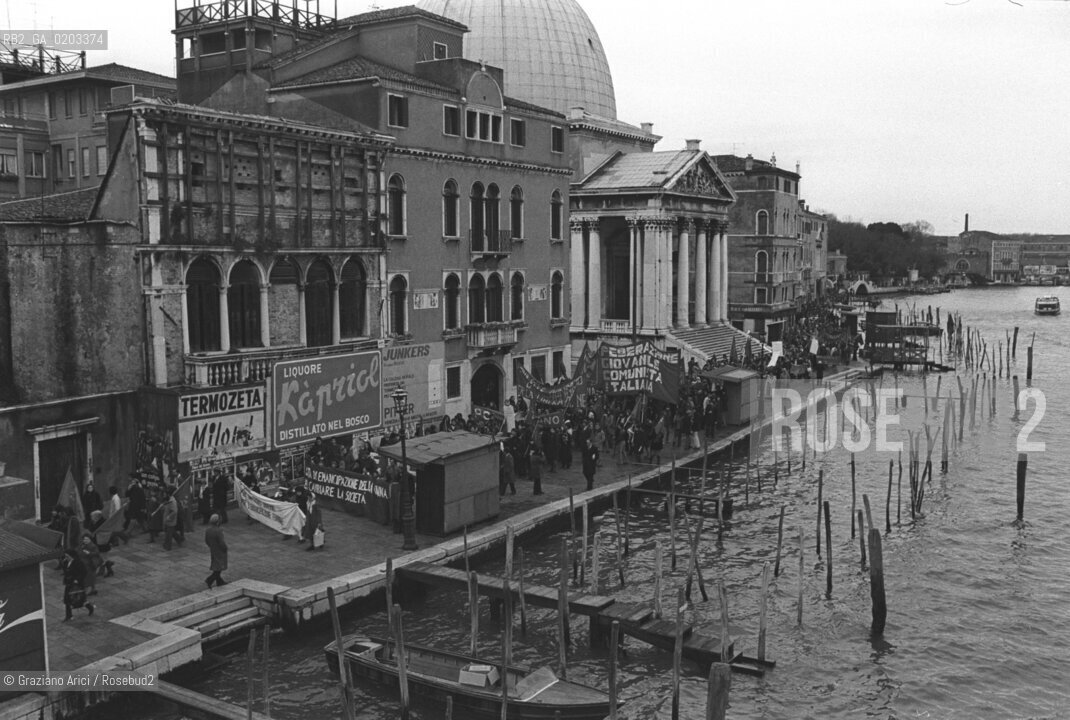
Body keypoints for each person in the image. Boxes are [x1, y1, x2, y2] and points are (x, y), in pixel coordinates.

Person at [61, 548, 95, 621]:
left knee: (80, 599)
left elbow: (84, 572)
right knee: (67, 599)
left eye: (67, 556)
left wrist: (77, 579)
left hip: (77, 584)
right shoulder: (65, 562)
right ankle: (69, 616)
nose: (66, 558)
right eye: (65, 556)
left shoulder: (78, 562)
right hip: (69, 583)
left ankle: (90, 607)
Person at [204, 514, 228, 588]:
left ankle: (220, 582)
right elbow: (221, 543)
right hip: (219, 551)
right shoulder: (218, 531)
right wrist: (225, 548)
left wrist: (211, 546)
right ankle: (209, 580)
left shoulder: (208, 530)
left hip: (213, 549)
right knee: (219, 568)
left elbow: (206, 540)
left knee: (216, 566)